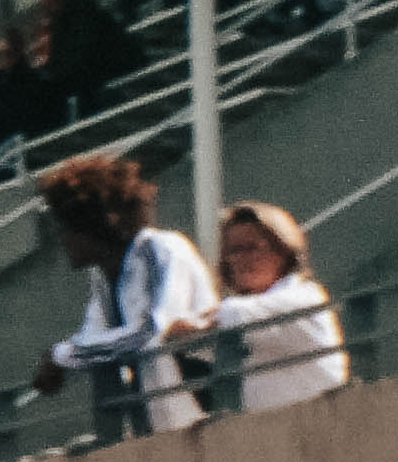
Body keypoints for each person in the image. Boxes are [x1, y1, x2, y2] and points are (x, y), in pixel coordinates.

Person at [33, 152, 220, 436]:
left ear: (97, 224)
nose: (63, 240)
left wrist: (63, 357)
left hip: (200, 411)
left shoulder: (162, 249)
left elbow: (151, 333)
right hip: (152, 424)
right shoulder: (102, 276)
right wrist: (64, 359)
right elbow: (92, 338)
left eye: (67, 229)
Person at [189, 201, 348, 414]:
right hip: (274, 431)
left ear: (283, 249)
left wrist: (181, 326)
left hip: (319, 426)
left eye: (251, 247)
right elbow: (198, 347)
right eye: (233, 250)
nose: (240, 259)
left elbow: (233, 316)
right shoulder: (249, 311)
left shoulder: (304, 298)